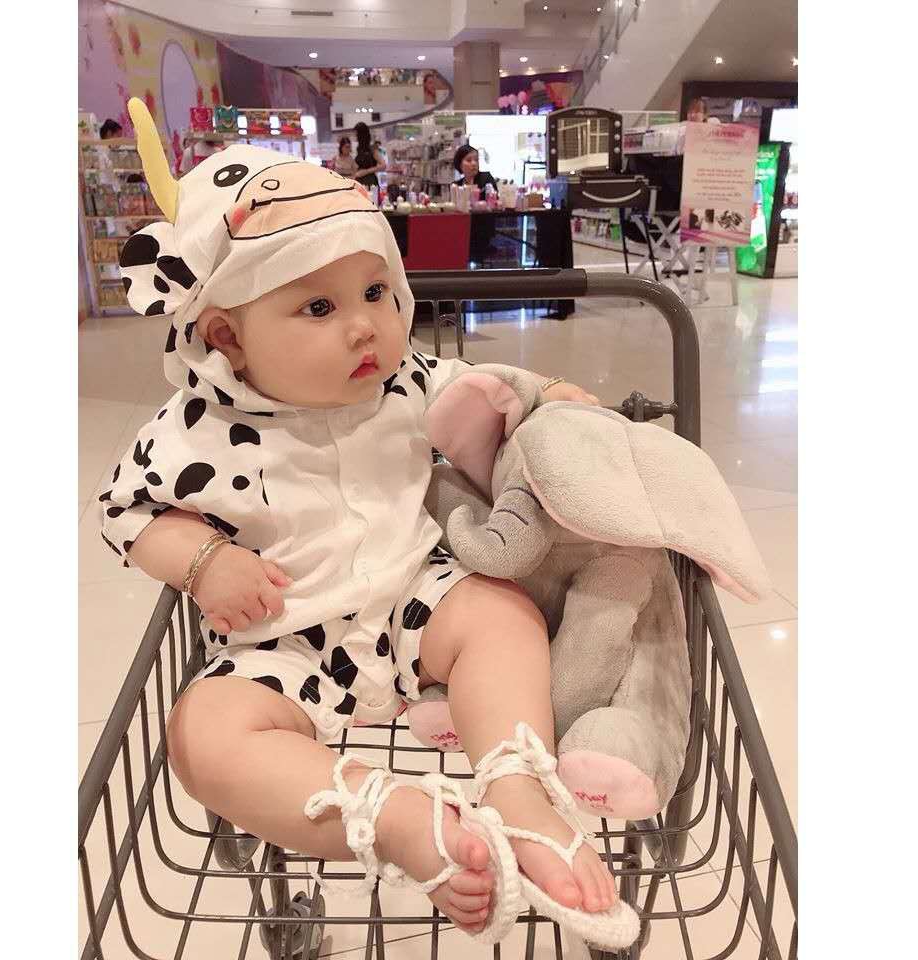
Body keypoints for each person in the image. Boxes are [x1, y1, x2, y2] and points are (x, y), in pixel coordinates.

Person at [102, 99, 636, 950]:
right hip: (280, 641)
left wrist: (549, 399)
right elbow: (127, 510)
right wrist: (202, 561)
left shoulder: (404, 382)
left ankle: (518, 789)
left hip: (415, 600)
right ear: (226, 337)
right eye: (318, 308)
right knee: (201, 734)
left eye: (378, 292)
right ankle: (392, 817)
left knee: (502, 612)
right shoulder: (190, 430)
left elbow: (484, 388)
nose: (366, 326)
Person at [353, 121, 386, 191]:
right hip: (359, 180)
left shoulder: (372, 149)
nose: (356, 137)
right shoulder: (359, 149)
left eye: (357, 135)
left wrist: (366, 171)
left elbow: (383, 165)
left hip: (369, 181)